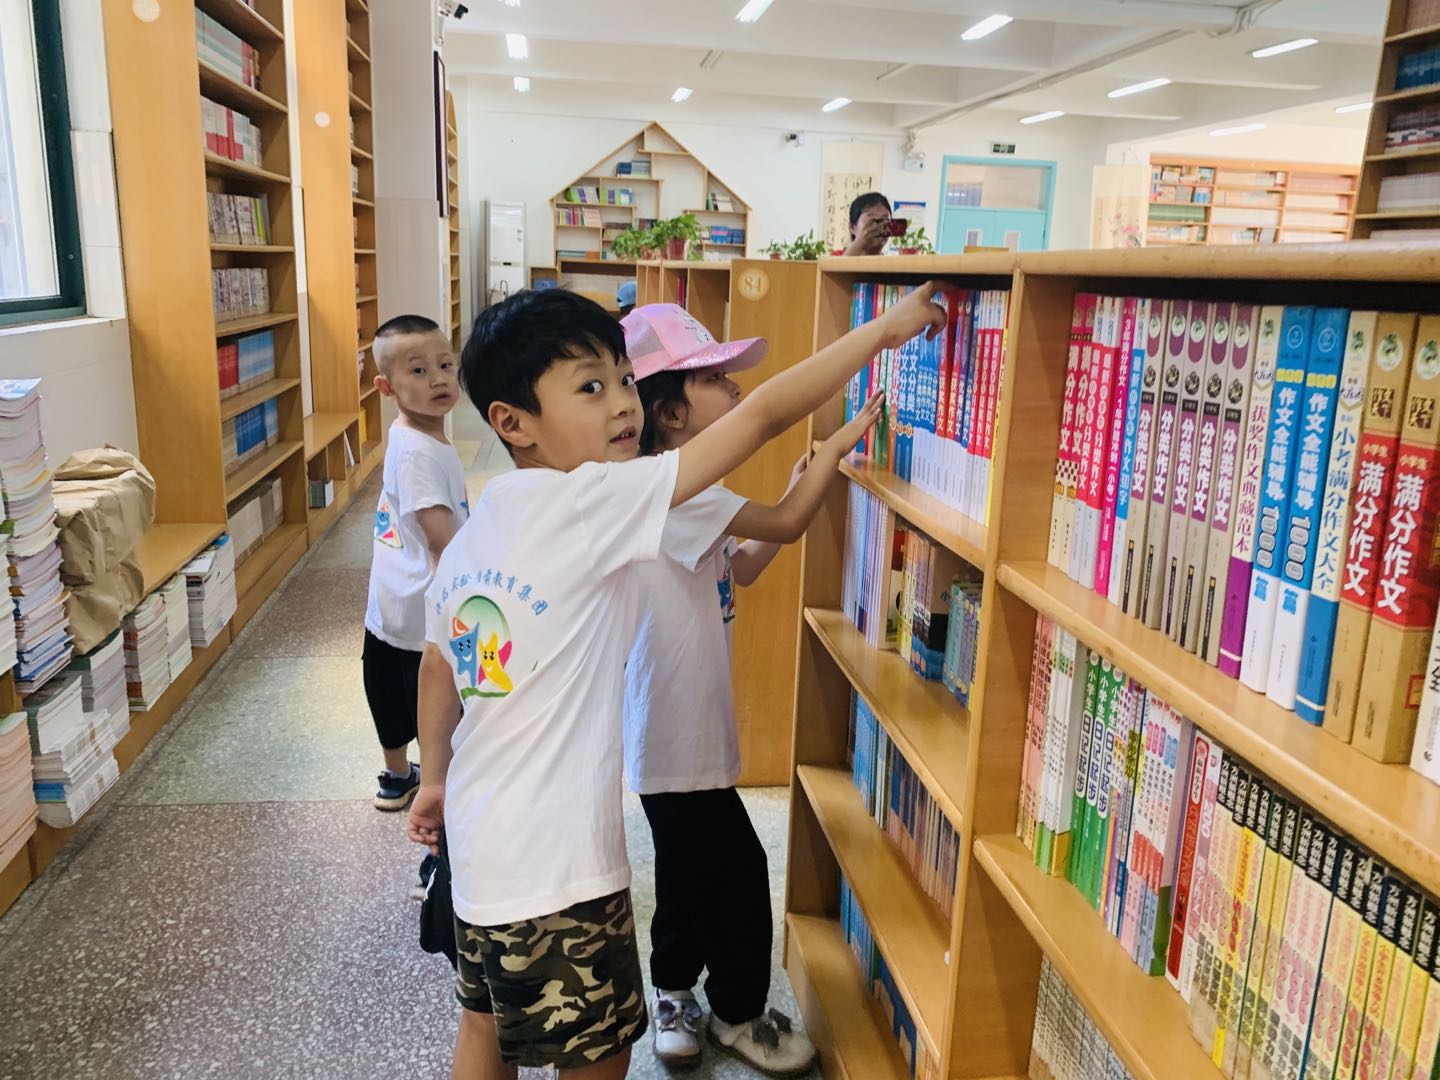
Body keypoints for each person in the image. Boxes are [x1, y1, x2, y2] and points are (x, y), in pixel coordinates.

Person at [406, 284, 946, 1079]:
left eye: (624, 379)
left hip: (478, 842)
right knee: (600, 1054)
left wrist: (433, 780)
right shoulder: (591, 501)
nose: (623, 403)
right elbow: (761, 417)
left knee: (484, 1029)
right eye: (591, 387)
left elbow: (436, 665)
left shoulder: (478, 527)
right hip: (557, 864)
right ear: (513, 422)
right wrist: (882, 332)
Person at [624, 302, 883, 1075]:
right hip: (677, 733)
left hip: (673, 730)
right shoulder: (674, 490)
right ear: (669, 412)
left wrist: (805, 477)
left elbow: (739, 565)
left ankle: (674, 989)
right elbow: (790, 522)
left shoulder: (673, 488)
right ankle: (737, 1010)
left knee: (686, 868)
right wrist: (832, 453)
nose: (735, 388)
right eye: (714, 379)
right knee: (736, 874)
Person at [362, 314, 468, 812]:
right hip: (423, 606)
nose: (438, 379)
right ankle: (440, 792)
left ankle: (397, 775)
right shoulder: (420, 454)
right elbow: (441, 540)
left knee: (385, 691)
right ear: (386, 387)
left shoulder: (409, 433)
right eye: (419, 371)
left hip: (390, 599)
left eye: (445, 364)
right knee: (432, 706)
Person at [843, 191, 894, 257]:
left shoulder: (891, 262)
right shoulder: (834, 259)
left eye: (884, 219)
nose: (879, 226)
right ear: (852, 227)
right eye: (872, 221)